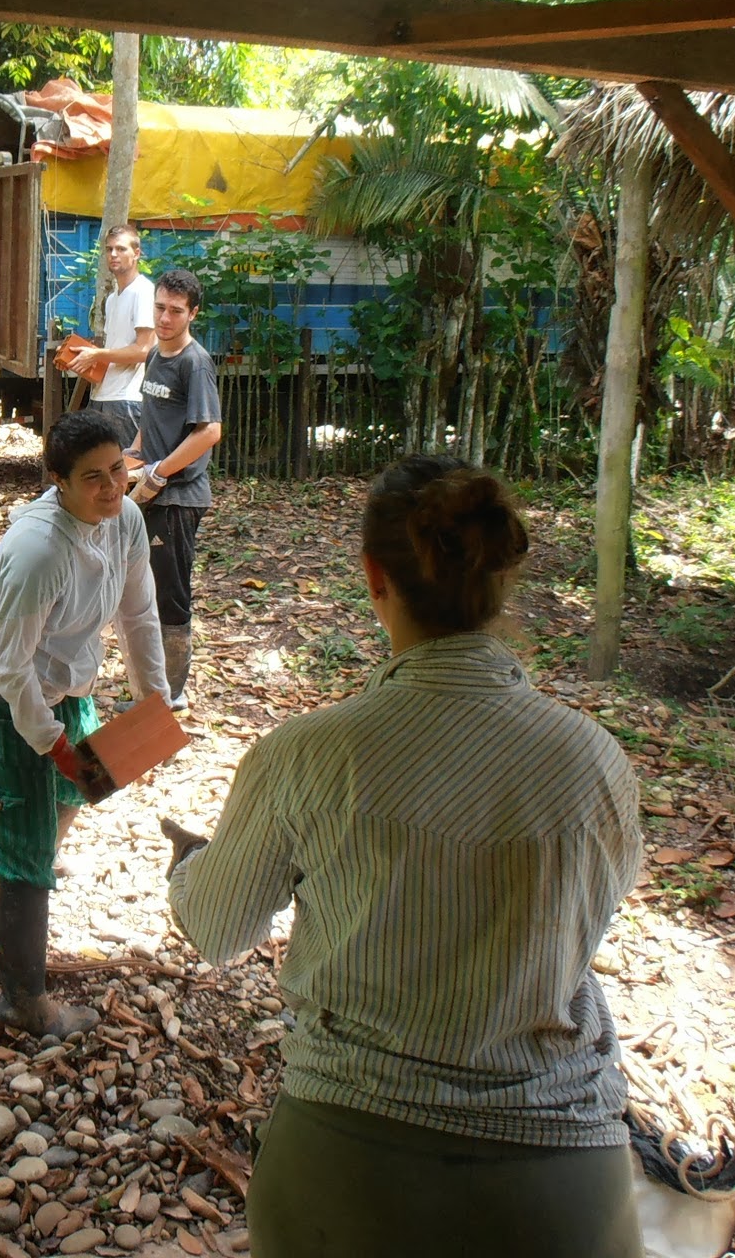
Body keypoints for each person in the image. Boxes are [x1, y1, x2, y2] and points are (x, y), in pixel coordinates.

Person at [163, 456, 644, 1258]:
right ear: (501, 577)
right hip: (560, 1182)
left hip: (344, 1171)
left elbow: (217, 929)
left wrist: (189, 869)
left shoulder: (308, 755)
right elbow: (589, 917)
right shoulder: (593, 761)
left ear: (373, 577)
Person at [0, 410, 169, 1038]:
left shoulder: (124, 518)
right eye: (92, 478)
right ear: (58, 480)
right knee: (24, 841)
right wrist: (49, 741)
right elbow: (11, 665)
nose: (112, 487)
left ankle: (17, 889)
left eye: (117, 469)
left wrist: (155, 700)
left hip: (68, 681)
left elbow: (139, 613)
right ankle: (22, 1001)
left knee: (83, 785)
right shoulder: (38, 551)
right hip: (12, 697)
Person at [126, 269, 221, 709]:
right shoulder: (154, 355)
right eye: (160, 308)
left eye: (176, 311)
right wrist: (133, 455)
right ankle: (150, 691)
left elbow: (209, 431)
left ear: (193, 313)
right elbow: (150, 419)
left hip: (179, 497)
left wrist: (160, 473)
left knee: (170, 594)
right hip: (148, 490)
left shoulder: (194, 363)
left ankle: (169, 696)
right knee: (141, 591)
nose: (165, 318)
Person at [72, 224, 156, 431]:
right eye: (109, 249)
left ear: (136, 253)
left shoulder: (144, 291)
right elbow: (115, 348)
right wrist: (79, 357)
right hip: (102, 394)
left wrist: (97, 354)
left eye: (121, 249)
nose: (113, 254)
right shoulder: (112, 298)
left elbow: (144, 351)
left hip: (128, 398)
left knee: (126, 455)